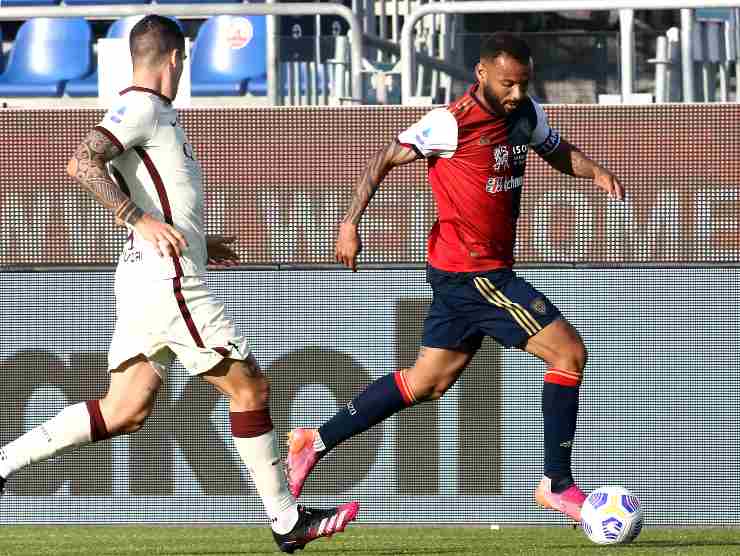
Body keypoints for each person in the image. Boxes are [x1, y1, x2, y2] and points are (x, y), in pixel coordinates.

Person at [0, 16, 357, 552]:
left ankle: (4, 461)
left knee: (125, 409)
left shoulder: (157, 114)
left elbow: (155, 196)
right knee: (248, 387)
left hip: (153, 274)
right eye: (184, 59)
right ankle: (286, 521)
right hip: (167, 281)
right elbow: (81, 161)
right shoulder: (140, 106)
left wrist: (198, 239)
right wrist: (136, 219)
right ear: (175, 58)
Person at [286, 32, 624, 522]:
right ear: (482, 74)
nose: (516, 94)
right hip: (474, 272)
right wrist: (349, 222)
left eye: (524, 83)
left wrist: (594, 171)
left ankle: (312, 442)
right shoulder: (450, 123)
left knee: (426, 382)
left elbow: (553, 149)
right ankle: (557, 483)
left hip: (463, 271)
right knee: (569, 353)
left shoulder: (525, 113)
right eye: (507, 84)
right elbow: (385, 158)